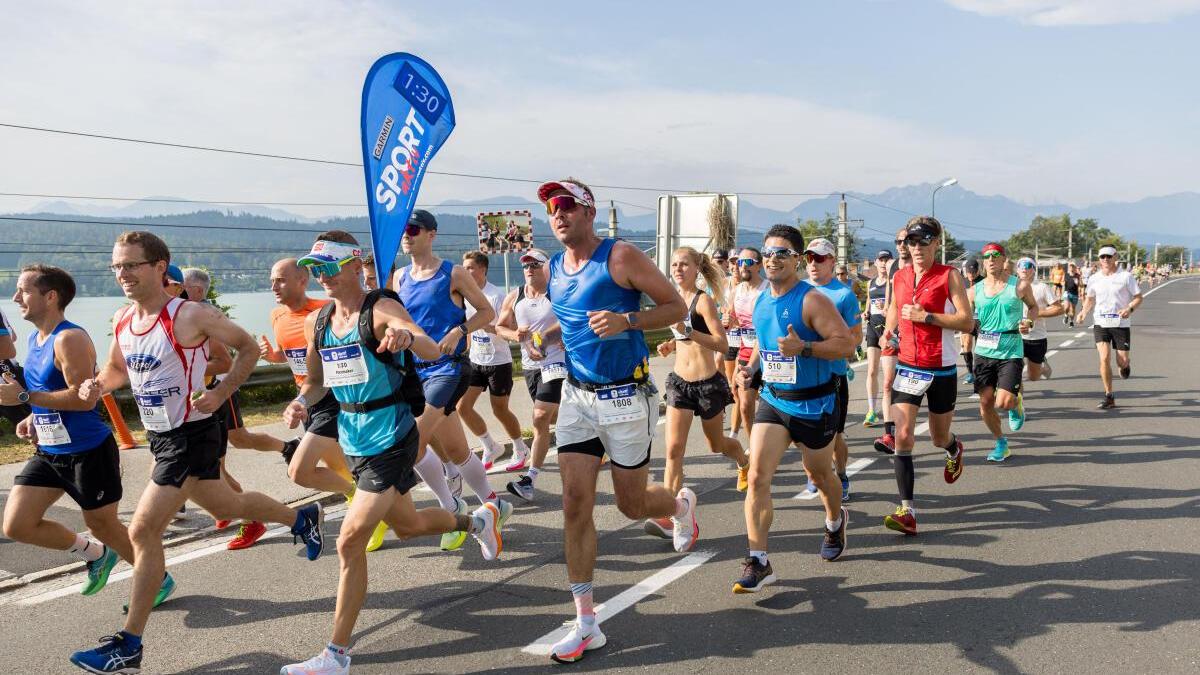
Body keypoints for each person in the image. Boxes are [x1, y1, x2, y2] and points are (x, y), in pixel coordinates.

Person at [69, 231, 324, 674]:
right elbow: (115, 369)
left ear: (158, 266)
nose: (122, 274)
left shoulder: (190, 314)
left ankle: (129, 644)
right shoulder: (125, 320)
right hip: (162, 436)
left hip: (192, 432)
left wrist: (221, 390)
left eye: (131, 265)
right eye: (116, 266)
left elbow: (245, 348)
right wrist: (97, 384)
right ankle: (302, 518)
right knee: (228, 503)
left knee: (144, 530)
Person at [281, 232, 501, 675]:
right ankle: (478, 519)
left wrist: (405, 336)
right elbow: (316, 380)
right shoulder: (319, 322)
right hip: (353, 435)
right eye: (315, 268)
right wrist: (302, 401)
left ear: (353, 264)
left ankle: (336, 655)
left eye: (328, 266)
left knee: (349, 541)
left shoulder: (381, 309)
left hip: (393, 435)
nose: (320, 276)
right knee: (409, 524)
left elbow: (431, 346)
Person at [538, 177, 692, 663]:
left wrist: (627, 321)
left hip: (627, 399)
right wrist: (547, 338)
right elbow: (569, 318)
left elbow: (676, 307)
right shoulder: (554, 268)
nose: (557, 214)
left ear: (588, 212)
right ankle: (586, 621)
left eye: (566, 206)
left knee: (630, 506)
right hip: (577, 398)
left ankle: (680, 505)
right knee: (573, 502)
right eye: (550, 209)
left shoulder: (620, 256)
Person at [732, 225, 856, 594]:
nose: (772, 259)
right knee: (756, 477)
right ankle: (759, 560)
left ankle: (835, 521)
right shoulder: (761, 300)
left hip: (815, 403)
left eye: (781, 253)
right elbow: (765, 343)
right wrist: (750, 368)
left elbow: (846, 345)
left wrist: (804, 348)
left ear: (797, 260)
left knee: (819, 475)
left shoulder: (812, 300)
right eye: (767, 253)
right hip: (774, 400)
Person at [1, 265, 136, 600]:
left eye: (24, 290)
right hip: (49, 451)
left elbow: (82, 399)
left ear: (50, 296)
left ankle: (156, 577)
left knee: (103, 525)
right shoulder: (35, 338)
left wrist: (23, 398)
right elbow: (48, 390)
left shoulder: (69, 338)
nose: (16, 297)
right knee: (17, 525)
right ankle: (96, 554)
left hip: (88, 451)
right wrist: (34, 415)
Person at [392, 209, 511, 553]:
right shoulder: (398, 278)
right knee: (457, 451)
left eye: (413, 229)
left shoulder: (453, 273)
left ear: (431, 234)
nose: (407, 234)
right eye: (403, 229)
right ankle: (494, 502)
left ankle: (452, 507)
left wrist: (459, 330)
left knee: (412, 441)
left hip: (447, 369)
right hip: (414, 372)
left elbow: (487, 312)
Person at [258, 259, 372, 547]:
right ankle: (365, 500)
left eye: (281, 280)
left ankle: (366, 507)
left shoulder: (326, 310)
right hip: (308, 400)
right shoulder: (276, 316)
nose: (274, 286)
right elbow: (297, 356)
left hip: (334, 397)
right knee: (342, 471)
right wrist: (274, 357)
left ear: (301, 280)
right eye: (271, 280)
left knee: (300, 471)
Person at [183, 266, 296, 550]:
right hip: (193, 401)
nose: (172, 291)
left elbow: (224, 361)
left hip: (216, 395)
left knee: (222, 457)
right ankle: (227, 507)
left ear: (196, 290)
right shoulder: (177, 315)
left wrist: (187, 370)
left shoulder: (203, 317)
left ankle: (247, 515)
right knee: (213, 463)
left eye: (178, 285)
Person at [878, 217, 974, 536]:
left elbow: (966, 322)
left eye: (923, 241)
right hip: (908, 366)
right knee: (903, 435)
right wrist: (888, 331)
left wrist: (927, 317)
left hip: (942, 367)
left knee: (937, 437)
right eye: (911, 242)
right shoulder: (901, 275)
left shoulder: (950, 276)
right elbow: (894, 308)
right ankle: (908, 511)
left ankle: (953, 449)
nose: (916, 248)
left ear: (936, 243)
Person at [648, 247, 749, 540]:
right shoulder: (671, 301)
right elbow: (682, 334)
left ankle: (743, 460)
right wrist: (672, 343)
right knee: (673, 451)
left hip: (707, 385)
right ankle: (670, 512)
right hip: (679, 384)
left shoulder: (703, 301)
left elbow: (721, 342)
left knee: (716, 445)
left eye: (684, 265)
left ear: (696, 269)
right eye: (674, 264)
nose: (678, 269)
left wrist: (688, 332)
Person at [498, 249, 564, 501]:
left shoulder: (557, 292)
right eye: (526, 264)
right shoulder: (515, 296)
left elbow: (574, 319)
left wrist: (564, 339)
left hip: (557, 363)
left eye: (535, 264)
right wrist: (513, 335)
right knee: (553, 416)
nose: (529, 269)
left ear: (546, 268)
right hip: (530, 366)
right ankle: (591, 429)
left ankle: (529, 480)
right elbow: (500, 326)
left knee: (539, 419)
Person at [801, 238, 862, 502]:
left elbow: (857, 336)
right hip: (802, 374)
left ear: (832, 262)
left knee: (835, 436)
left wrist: (833, 347)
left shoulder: (843, 294)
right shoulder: (799, 290)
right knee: (803, 434)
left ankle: (841, 472)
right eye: (809, 258)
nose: (813, 264)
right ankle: (815, 472)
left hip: (833, 375)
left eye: (820, 258)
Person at [457, 251, 530, 470]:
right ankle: (490, 445)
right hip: (475, 360)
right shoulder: (465, 295)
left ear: (483, 269)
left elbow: (510, 328)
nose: (466, 271)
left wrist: (483, 325)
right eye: (464, 267)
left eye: (470, 267)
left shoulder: (496, 296)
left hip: (499, 362)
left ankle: (520, 447)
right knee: (462, 407)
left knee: (500, 410)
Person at [968, 244, 1039, 463]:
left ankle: (1016, 404)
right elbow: (965, 317)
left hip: (1010, 350)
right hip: (983, 351)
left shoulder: (1019, 286)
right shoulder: (973, 291)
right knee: (985, 402)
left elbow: (1033, 307)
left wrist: (1028, 321)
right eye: (986, 256)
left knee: (1003, 403)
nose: (990, 260)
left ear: (1004, 260)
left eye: (995, 256)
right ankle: (1001, 443)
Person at [1076, 245, 1143, 410]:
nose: (1105, 260)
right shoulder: (1094, 278)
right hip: (1101, 323)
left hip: (1121, 323)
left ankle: (1125, 366)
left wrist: (1129, 308)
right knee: (1104, 358)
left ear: (1115, 258)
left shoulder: (1126, 277)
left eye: (1108, 256)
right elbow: (1090, 298)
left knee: (1122, 361)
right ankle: (1109, 395)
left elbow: (1138, 297)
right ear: (1099, 260)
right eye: (1102, 257)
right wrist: (1083, 312)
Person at [873, 228, 911, 455]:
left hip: (918, 334)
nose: (901, 245)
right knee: (888, 382)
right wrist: (887, 330)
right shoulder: (893, 265)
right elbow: (890, 300)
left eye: (905, 240)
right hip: (896, 332)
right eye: (898, 241)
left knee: (908, 387)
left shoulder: (921, 265)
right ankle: (889, 434)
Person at [728, 247, 768, 443]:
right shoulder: (735, 291)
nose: (743, 266)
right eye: (740, 262)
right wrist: (727, 321)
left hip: (769, 354)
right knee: (744, 405)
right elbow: (732, 322)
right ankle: (754, 446)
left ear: (759, 265)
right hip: (745, 352)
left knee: (778, 407)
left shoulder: (768, 289)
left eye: (748, 262)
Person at [1016, 257, 1067, 382]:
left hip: (1036, 337)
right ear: (1017, 270)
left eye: (1027, 265)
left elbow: (1059, 309)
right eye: (1020, 265)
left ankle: (1042, 366)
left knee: (1033, 377)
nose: (1023, 268)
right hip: (1015, 337)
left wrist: (1036, 314)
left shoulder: (1041, 287)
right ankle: (1015, 399)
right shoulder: (1011, 286)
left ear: (1033, 269)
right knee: (1013, 372)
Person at [862, 250, 891, 427]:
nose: (883, 263)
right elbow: (869, 300)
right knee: (871, 371)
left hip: (888, 331)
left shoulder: (893, 282)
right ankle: (872, 410)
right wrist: (866, 311)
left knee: (889, 376)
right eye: (880, 259)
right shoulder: (871, 283)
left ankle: (893, 405)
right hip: (873, 327)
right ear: (875, 262)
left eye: (886, 260)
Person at [959, 257, 983, 385]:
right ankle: (970, 373)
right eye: (969, 272)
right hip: (967, 319)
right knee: (966, 346)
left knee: (979, 349)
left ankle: (979, 372)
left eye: (974, 272)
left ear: (978, 271)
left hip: (981, 320)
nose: (971, 275)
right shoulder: (961, 281)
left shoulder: (984, 281)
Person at [1062, 262, 1080, 326]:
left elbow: (1081, 285)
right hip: (1067, 293)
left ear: (1074, 268)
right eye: (1070, 266)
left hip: (1075, 294)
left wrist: (1077, 283)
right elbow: (1063, 283)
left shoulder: (1077, 275)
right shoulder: (1066, 275)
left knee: (1072, 309)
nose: (1071, 268)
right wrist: (1062, 291)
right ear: (1069, 268)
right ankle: (1066, 315)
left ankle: (1071, 321)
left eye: (1073, 266)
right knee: (1066, 307)